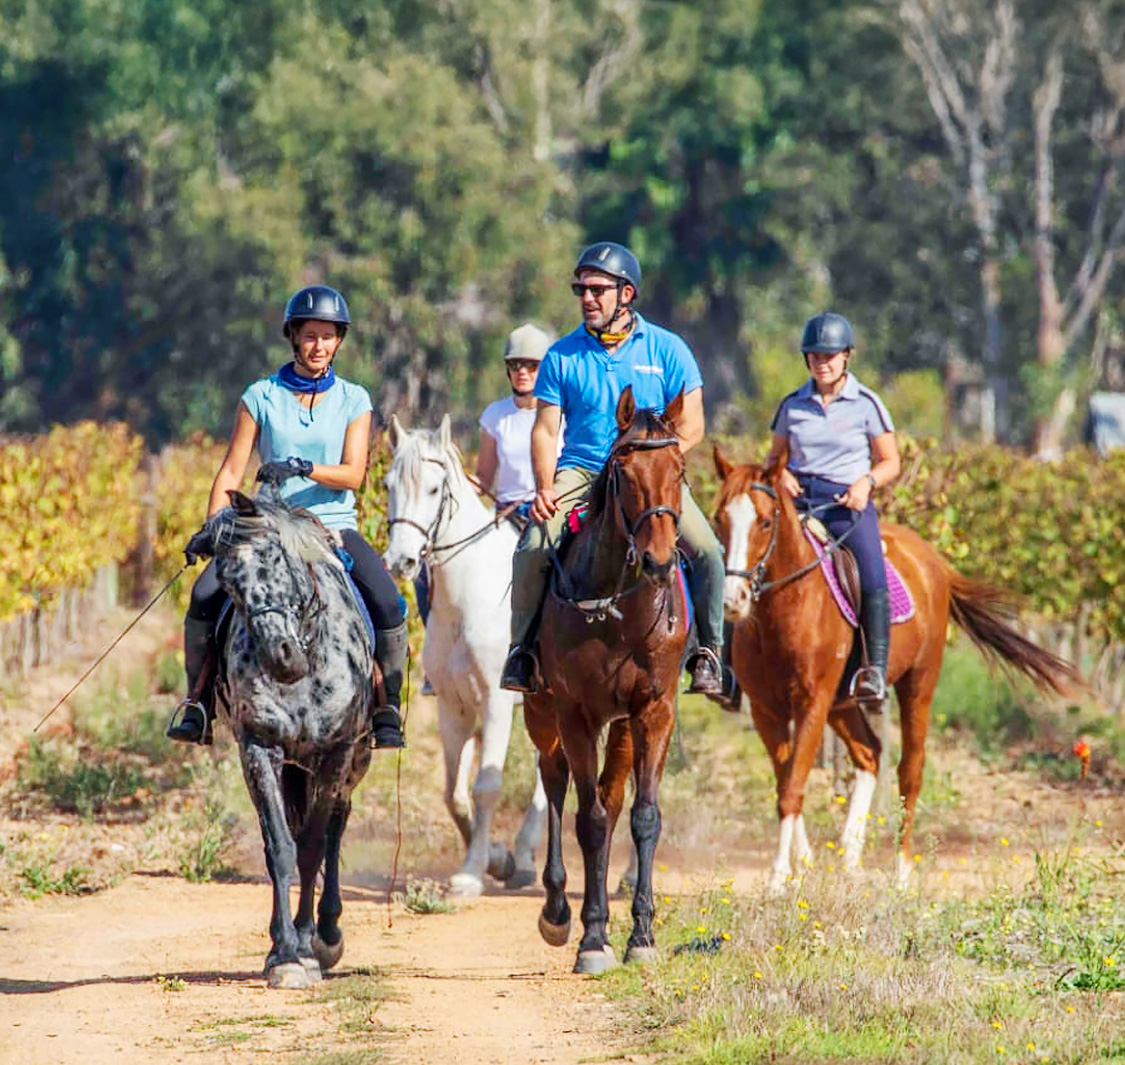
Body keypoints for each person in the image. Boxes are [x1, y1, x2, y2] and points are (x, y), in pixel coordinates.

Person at [165, 284, 408, 748]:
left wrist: (302, 466)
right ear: (294, 337)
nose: (319, 346)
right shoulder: (261, 395)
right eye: (311, 336)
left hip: (330, 527)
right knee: (204, 596)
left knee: (388, 602)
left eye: (329, 337)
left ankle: (387, 707)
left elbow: (354, 473)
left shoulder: (355, 400)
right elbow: (232, 471)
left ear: (339, 341)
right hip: (267, 527)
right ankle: (197, 702)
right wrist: (216, 526)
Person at [498, 241, 726, 699]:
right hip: (582, 472)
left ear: (627, 294)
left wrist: (653, 461)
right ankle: (522, 652)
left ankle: (709, 654)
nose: (587, 298)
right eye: (582, 289)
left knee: (709, 552)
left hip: (648, 476)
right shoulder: (562, 355)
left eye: (598, 289)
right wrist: (544, 488)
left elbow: (694, 423)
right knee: (534, 545)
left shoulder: (669, 349)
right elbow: (544, 431)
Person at [765, 310, 902, 708]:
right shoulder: (792, 405)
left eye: (830, 356)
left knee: (872, 575)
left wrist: (866, 482)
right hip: (798, 502)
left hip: (846, 503)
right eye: (814, 356)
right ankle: (730, 667)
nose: (821, 363)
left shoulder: (867, 404)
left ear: (847, 357)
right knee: (746, 560)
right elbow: (774, 458)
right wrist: (781, 477)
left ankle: (874, 670)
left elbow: (890, 461)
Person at [412, 323, 552, 694]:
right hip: (503, 514)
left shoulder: (558, 412)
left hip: (545, 510)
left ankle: (540, 653)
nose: (522, 372)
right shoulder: (495, 415)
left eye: (531, 365)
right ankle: (439, 660)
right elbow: (485, 478)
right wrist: (453, 477)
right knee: (428, 572)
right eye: (515, 365)